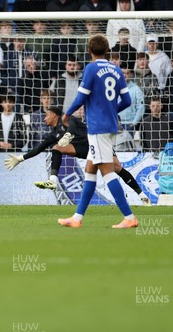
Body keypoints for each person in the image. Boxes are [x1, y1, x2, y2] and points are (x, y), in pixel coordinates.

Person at [55, 34, 137, 228]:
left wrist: (67, 114)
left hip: (98, 127)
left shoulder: (91, 69)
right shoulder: (117, 70)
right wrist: (111, 111)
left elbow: (81, 98)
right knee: (90, 170)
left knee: (107, 172)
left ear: (89, 51)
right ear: (107, 51)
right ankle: (77, 218)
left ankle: (129, 216)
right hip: (108, 126)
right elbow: (127, 101)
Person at [5, 106, 150, 204]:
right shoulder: (53, 134)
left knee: (117, 168)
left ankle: (142, 196)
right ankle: (53, 180)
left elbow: (73, 126)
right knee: (56, 148)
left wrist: (68, 134)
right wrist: (20, 158)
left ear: (54, 115)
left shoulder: (66, 119)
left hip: (96, 142)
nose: (44, 119)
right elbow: (38, 148)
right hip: (82, 149)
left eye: (46, 115)